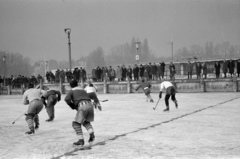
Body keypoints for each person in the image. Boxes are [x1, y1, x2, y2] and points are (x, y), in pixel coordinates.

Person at [64, 80, 95, 146]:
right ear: (77, 84)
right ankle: (91, 133)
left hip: (82, 106)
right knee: (86, 121)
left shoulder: (71, 91)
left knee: (76, 124)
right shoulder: (83, 90)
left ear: (70, 85)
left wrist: (71, 105)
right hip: (90, 105)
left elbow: (67, 99)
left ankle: (81, 140)